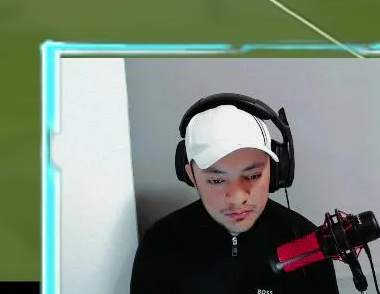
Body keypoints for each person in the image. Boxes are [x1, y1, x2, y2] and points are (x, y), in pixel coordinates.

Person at [131, 95, 339, 293]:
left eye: (253, 176)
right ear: (191, 176)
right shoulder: (160, 244)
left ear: (275, 171)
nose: (238, 198)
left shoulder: (308, 242)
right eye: (217, 180)